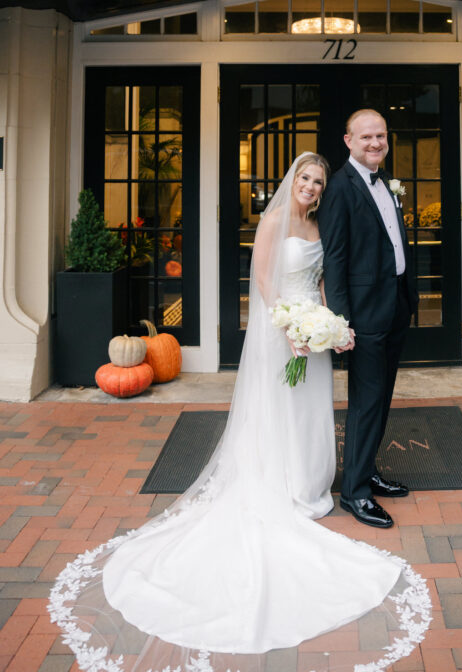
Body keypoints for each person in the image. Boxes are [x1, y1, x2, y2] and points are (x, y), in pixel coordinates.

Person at [48, 152, 430, 672]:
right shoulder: (273, 221)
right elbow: (264, 283)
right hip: (280, 334)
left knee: (309, 410)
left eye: (318, 182)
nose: (312, 188)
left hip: (310, 335)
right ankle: (277, 484)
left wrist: (326, 323)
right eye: (306, 179)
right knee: (277, 410)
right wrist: (290, 326)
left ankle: (307, 485)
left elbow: (321, 278)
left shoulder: (319, 222)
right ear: (292, 179)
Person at [318, 109, 417, 529]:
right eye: (366, 137)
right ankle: (355, 493)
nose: (375, 143)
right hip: (364, 313)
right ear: (348, 141)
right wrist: (342, 323)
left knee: (382, 397)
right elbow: (335, 258)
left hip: (395, 304)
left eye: (380, 135)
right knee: (364, 403)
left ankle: (368, 470)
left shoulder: (384, 181)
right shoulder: (340, 188)